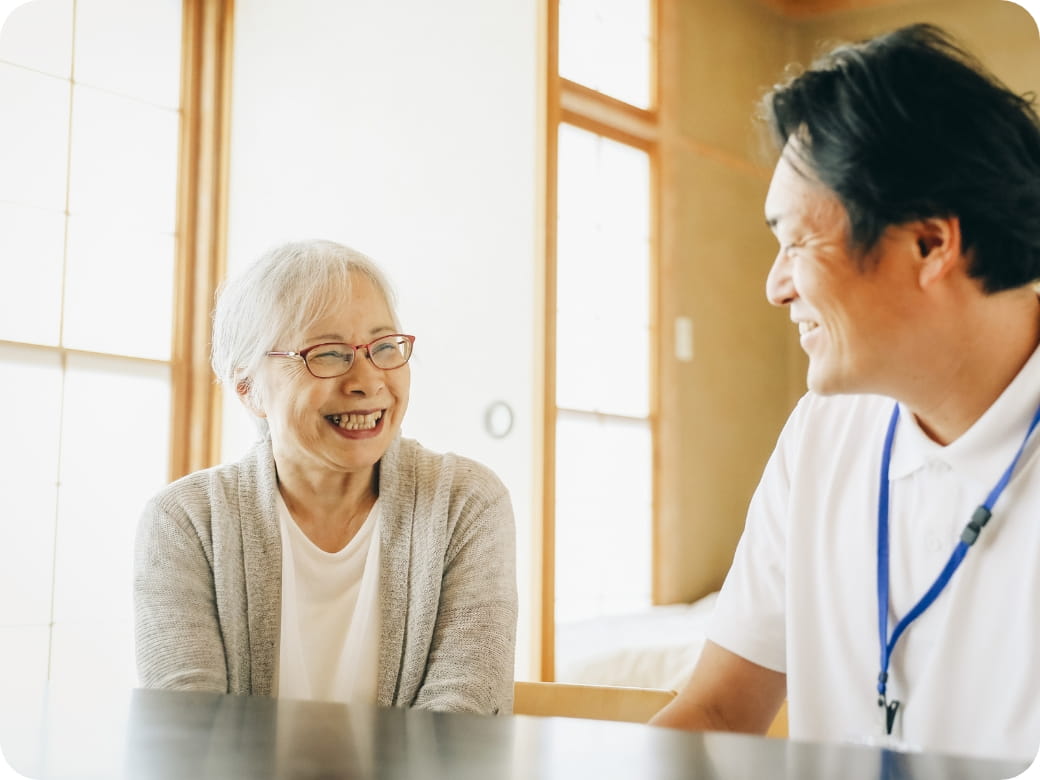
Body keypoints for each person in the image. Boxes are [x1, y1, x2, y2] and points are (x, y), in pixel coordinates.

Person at [651, 23, 1040, 763]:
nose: (775, 286)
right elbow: (720, 707)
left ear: (930, 243)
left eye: (796, 243)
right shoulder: (821, 433)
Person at [134, 239, 517, 714]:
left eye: (383, 347)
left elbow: (464, 713)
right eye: (329, 354)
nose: (367, 380)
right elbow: (189, 728)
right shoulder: (186, 521)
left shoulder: (465, 503)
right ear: (249, 389)